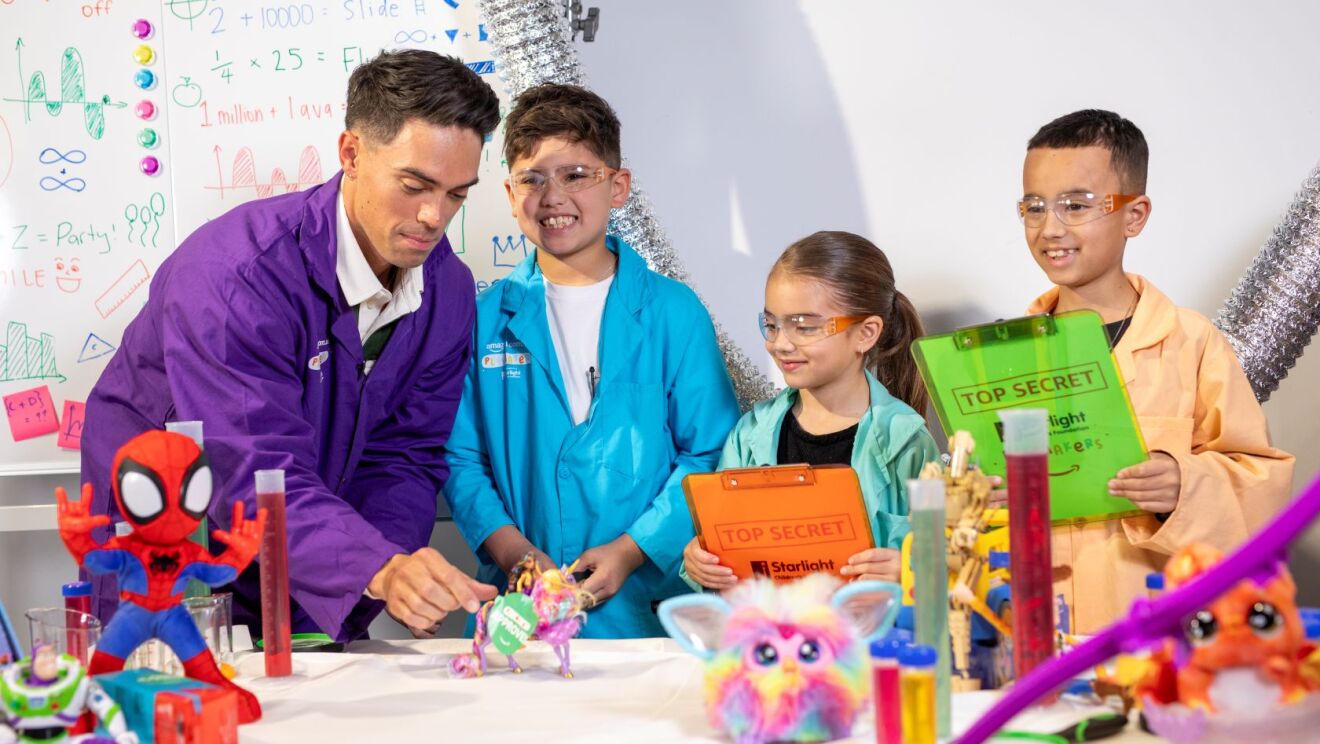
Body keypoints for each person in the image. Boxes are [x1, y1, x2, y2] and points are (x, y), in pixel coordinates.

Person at [82, 50, 501, 642]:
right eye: (414, 186)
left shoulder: (447, 290)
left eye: (458, 195)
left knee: (314, 676)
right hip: (174, 526)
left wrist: (384, 570)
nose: (435, 217)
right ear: (351, 154)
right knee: (176, 681)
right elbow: (249, 464)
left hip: (314, 536)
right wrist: (375, 567)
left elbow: (405, 455)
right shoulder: (237, 275)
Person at [443, 83, 741, 638]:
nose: (553, 197)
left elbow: (710, 451)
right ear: (510, 194)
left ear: (618, 186)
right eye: (532, 179)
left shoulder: (674, 313)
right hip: (520, 615)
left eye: (576, 175)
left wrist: (632, 550)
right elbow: (460, 458)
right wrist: (512, 552)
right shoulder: (481, 320)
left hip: (649, 615)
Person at [1018, 109, 1295, 632]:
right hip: (1038, 641)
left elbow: (1264, 487)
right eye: (1034, 207)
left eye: (1076, 205)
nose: (1050, 227)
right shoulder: (1006, 359)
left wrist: (1184, 486)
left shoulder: (1191, 343)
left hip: (1161, 640)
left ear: (1135, 215)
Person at [682, 231, 939, 591]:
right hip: (773, 626)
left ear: (866, 333)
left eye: (804, 327)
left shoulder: (905, 441)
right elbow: (721, 545)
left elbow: (948, 562)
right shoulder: (749, 434)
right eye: (772, 325)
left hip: (870, 627)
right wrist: (701, 560)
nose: (780, 344)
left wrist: (911, 571)